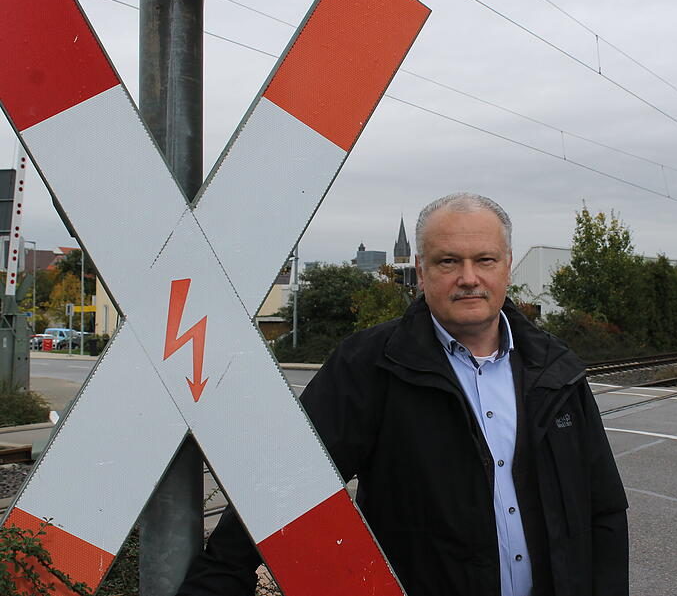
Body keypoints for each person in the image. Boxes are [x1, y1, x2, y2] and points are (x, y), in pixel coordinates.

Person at [177, 193, 629, 596]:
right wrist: (218, 578)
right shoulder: (370, 365)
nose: (469, 278)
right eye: (448, 261)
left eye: (485, 260)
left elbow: (603, 508)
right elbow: (285, 481)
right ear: (421, 269)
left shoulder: (555, 368)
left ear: (507, 264)